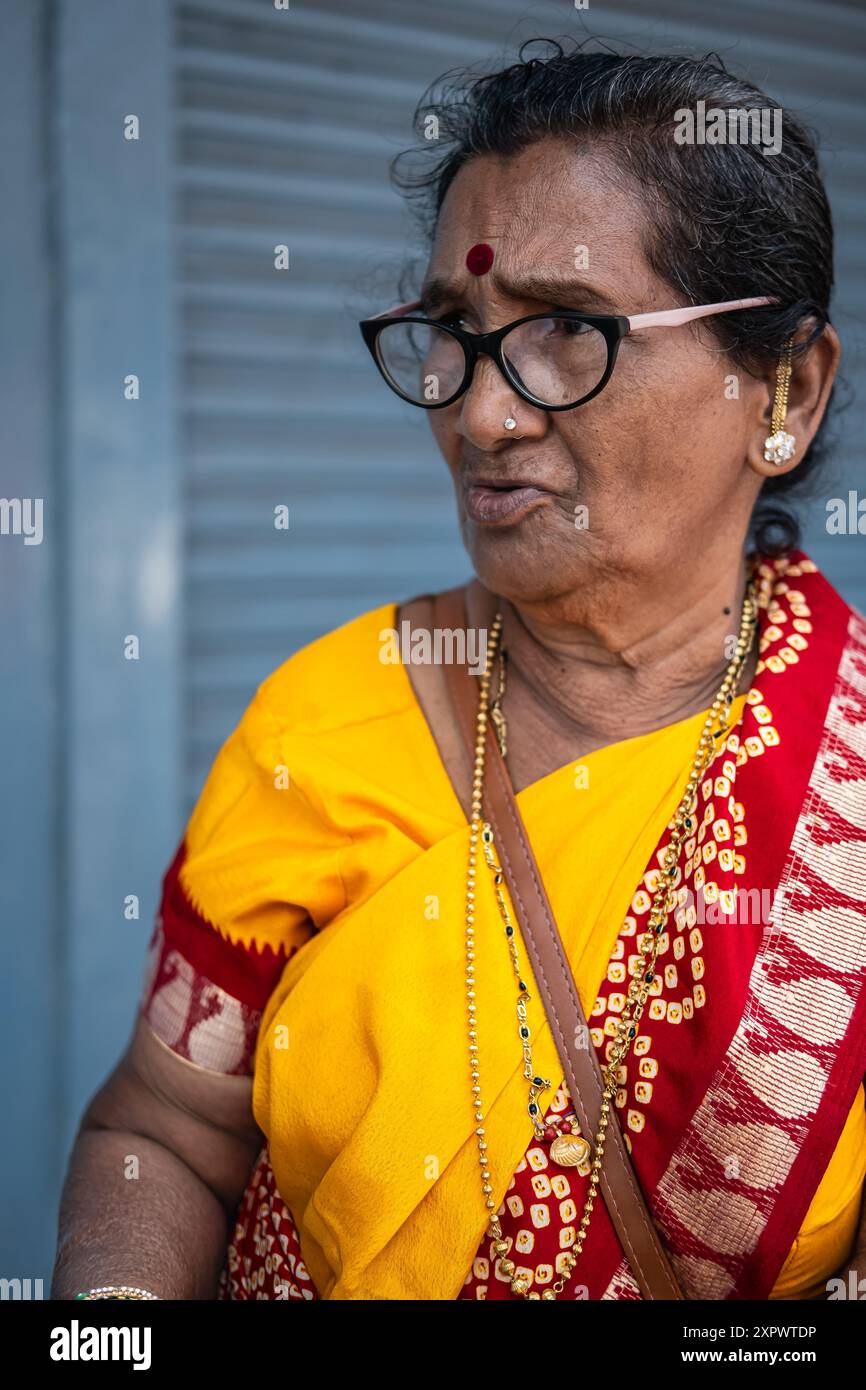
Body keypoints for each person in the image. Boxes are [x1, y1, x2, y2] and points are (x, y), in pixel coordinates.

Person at [53, 44, 866, 1303]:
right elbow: (160, 1133)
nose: (479, 414)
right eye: (452, 332)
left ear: (783, 389)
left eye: (564, 333)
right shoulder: (326, 721)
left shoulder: (846, 778)